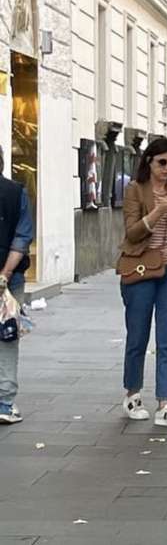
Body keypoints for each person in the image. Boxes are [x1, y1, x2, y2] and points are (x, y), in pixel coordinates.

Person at [118, 137, 167, 428]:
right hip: (140, 270)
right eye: (162, 162)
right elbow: (132, 233)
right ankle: (132, 394)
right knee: (137, 337)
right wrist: (160, 211)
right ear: (149, 161)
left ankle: (166, 404)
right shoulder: (135, 190)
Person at [0, 145, 34, 425]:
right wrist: (5, 275)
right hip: (9, 281)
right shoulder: (16, 192)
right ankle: (4, 402)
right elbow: (22, 238)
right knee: (6, 338)